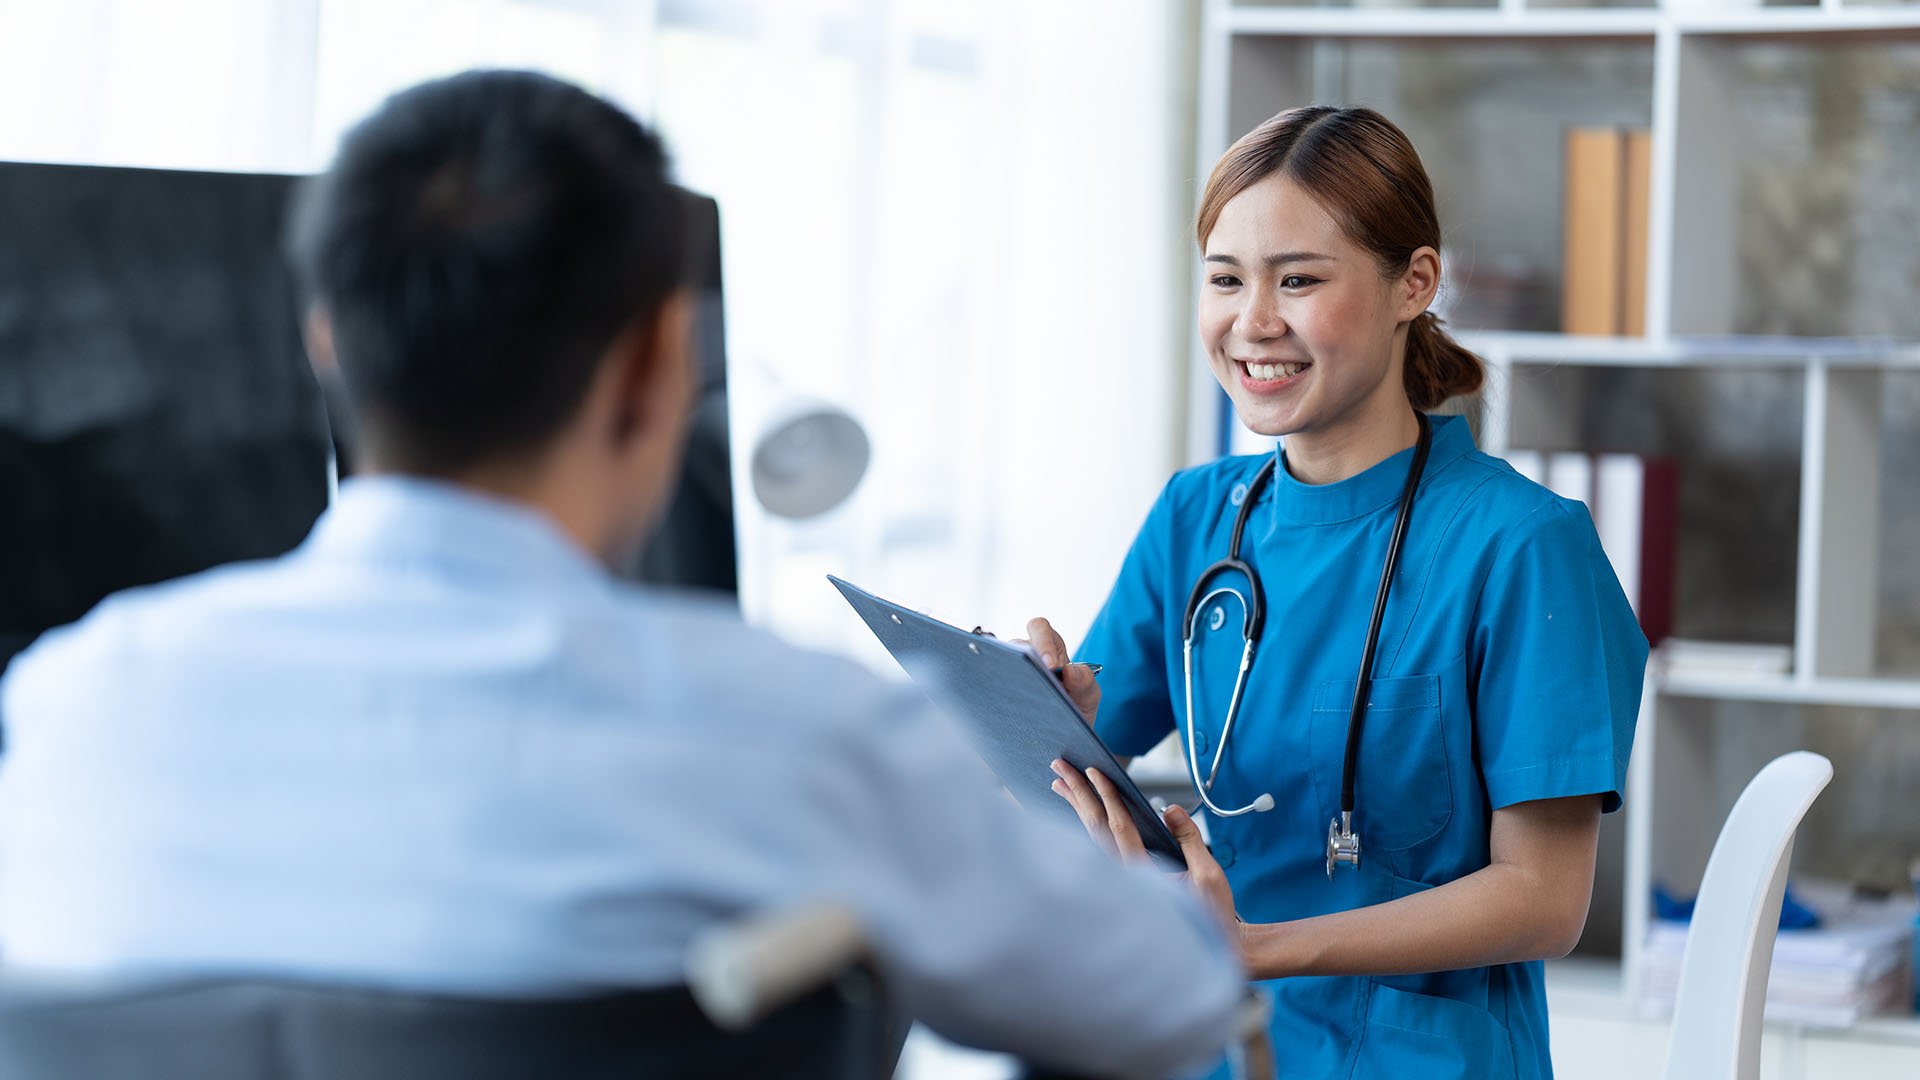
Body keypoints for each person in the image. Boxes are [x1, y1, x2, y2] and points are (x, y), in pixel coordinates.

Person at [0, 71, 1247, 1079]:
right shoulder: (793, 729)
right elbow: (1166, 1000)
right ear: (659, 363)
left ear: (326, 341)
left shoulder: (72, 701)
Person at [1030, 106, 1648, 1079]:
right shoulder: (1196, 517)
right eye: (1226, 279)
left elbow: (1545, 899)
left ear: (1415, 283)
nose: (1253, 322)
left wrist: (1259, 949)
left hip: (1417, 1060)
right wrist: (1049, 711)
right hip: (1215, 1042)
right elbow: (1089, 753)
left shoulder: (1523, 547)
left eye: (1299, 280)